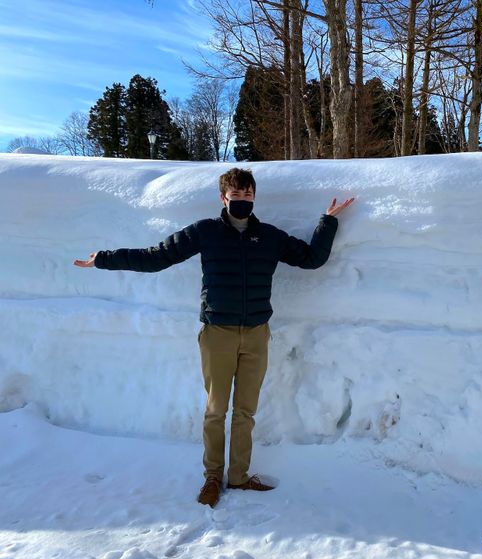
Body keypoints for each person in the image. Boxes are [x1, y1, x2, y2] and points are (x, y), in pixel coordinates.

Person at [74, 167, 355, 508]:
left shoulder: (269, 237)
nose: (243, 201)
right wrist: (104, 259)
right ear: (223, 198)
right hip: (217, 333)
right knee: (216, 410)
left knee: (246, 411)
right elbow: (156, 257)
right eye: (236, 196)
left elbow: (312, 259)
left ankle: (238, 476)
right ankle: (212, 477)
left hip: (255, 334)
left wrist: (327, 221)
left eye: (248, 195)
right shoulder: (205, 232)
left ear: (254, 197)